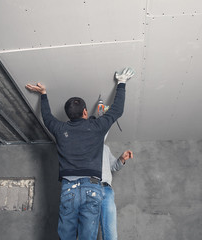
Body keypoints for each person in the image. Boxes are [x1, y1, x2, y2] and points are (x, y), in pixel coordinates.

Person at [25, 67, 134, 240]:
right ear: (85, 112)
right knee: (87, 236)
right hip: (93, 187)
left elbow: (47, 117)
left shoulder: (60, 129)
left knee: (66, 236)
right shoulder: (97, 127)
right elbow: (116, 110)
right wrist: (121, 83)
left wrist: (44, 95)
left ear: (68, 115)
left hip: (69, 187)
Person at [100, 144, 133, 240]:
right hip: (89, 188)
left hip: (106, 191)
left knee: (111, 234)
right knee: (87, 233)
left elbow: (114, 166)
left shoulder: (105, 148)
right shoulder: (82, 141)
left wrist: (122, 159)